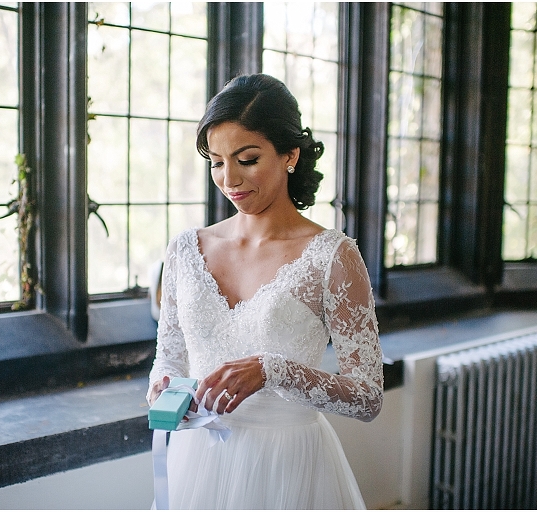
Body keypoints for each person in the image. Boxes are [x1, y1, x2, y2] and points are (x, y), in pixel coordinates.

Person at [147, 73, 383, 510]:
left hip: (288, 468)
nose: (230, 178)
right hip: (198, 463)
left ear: (290, 154)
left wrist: (274, 370)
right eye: (216, 161)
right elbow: (171, 354)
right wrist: (162, 382)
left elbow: (368, 397)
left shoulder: (333, 257)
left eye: (247, 158)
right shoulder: (185, 250)